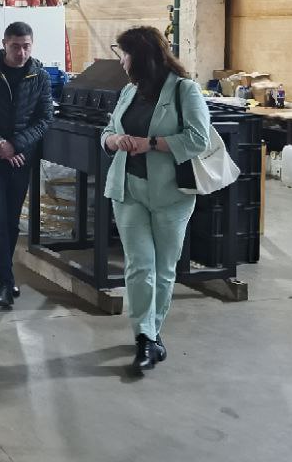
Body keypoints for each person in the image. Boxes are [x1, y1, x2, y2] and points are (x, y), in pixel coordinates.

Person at [101, 26, 210, 374]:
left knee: (163, 268)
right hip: (127, 188)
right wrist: (115, 141)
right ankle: (144, 336)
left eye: (125, 54)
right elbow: (108, 131)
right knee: (140, 264)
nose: (122, 62)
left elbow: (199, 139)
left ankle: (154, 330)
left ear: (142, 57)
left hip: (171, 194)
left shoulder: (184, 90)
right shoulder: (128, 91)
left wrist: (150, 144)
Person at [0, 21, 54, 310]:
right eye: (15, 46)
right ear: (4, 44)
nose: (21, 52)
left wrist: (16, 145)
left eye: (26, 46)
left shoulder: (39, 75)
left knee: (11, 220)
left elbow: (44, 118)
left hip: (20, 157)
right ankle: (2, 282)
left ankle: (5, 275)